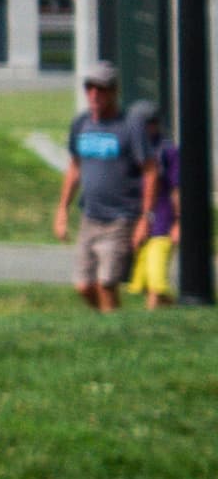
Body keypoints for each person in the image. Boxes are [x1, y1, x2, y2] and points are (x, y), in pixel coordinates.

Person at [57, 65, 156, 313]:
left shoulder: (129, 126)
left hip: (121, 217)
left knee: (106, 283)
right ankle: (108, 323)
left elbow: (150, 170)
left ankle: (113, 328)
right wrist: (62, 210)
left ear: (114, 91)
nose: (94, 94)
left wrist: (145, 217)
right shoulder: (81, 124)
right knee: (83, 285)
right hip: (90, 216)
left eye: (100, 89)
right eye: (89, 88)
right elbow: (74, 167)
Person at [135, 137, 184, 309]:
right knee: (143, 284)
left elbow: (177, 189)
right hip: (140, 226)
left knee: (156, 284)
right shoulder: (133, 147)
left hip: (163, 224)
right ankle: (177, 307)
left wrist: (178, 222)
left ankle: (148, 320)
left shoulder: (167, 151)